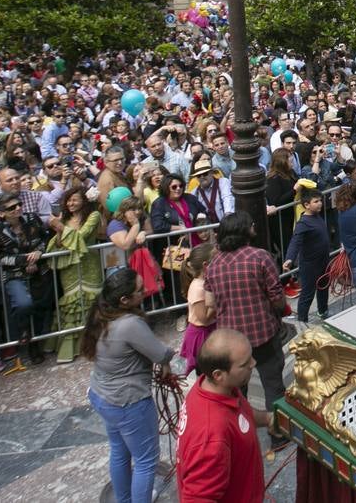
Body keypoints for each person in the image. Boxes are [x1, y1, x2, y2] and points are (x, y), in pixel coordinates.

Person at [80, 268, 174, 503]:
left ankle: (124, 499)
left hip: (103, 396)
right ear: (124, 300)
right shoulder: (129, 323)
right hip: (128, 402)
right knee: (146, 461)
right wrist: (168, 355)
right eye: (140, 291)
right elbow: (160, 352)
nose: (145, 293)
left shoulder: (103, 314)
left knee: (120, 451)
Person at [201, 212, 290, 449]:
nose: (254, 226)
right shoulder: (260, 257)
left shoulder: (213, 265)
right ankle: (278, 433)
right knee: (273, 385)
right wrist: (279, 310)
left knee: (234, 393)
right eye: (251, 224)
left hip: (231, 342)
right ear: (244, 231)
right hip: (263, 333)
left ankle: (239, 435)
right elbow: (277, 297)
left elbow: (209, 304)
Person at [176, 328, 269, 503]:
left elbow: (242, 413)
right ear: (219, 375)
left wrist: (269, 419)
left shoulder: (214, 387)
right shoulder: (212, 438)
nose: (253, 363)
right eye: (244, 363)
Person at [0, 193, 53, 362]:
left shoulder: (32, 218)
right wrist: (24, 261)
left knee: (39, 308)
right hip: (14, 274)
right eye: (11, 207)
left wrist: (39, 252)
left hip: (39, 270)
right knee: (24, 304)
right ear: (1, 213)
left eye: (19, 204)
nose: (18, 208)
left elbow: (46, 238)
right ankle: (23, 330)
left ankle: (34, 346)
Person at [47, 186, 105, 363]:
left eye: (75, 200)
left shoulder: (93, 216)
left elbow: (82, 236)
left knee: (92, 303)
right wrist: (59, 231)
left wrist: (60, 228)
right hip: (70, 268)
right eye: (68, 200)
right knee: (72, 304)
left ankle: (96, 343)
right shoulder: (63, 218)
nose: (71, 203)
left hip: (89, 265)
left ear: (84, 201)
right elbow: (58, 244)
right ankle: (73, 346)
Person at [282, 187, 330, 325]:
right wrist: (289, 258)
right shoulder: (303, 223)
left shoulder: (317, 216)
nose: (320, 203)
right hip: (310, 266)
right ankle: (302, 320)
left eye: (320, 200)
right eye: (316, 201)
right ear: (306, 205)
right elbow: (295, 241)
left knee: (323, 288)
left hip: (323, 262)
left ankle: (323, 311)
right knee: (307, 294)